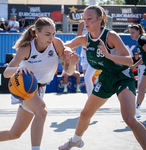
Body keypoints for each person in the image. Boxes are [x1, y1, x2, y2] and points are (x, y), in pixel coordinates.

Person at [0, 17, 79, 150]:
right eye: (47, 34)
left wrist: (73, 64)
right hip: (24, 87)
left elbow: (68, 72)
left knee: (15, 133)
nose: (51, 37)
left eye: (53, 34)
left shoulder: (57, 44)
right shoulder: (26, 48)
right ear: (36, 33)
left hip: (40, 89)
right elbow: (6, 73)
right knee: (42, 111)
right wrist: (18, 69)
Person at [58, 5, 146, 150]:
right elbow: (62, 46)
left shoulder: (110, 36)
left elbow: (129, 61)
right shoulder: (84, 39)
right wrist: (67, 49)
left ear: (99, 19)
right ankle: (75, 140)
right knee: (85, 113)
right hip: (105, 78)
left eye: (90, 18)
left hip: (122, 76)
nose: (86, 22)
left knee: (130, 119)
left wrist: (108, 55)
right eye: (84, 19)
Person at [129, 24, 146, 119]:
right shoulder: (139, 41)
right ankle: (137, 109)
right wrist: (134, 66)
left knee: (141, 87)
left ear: (138, 32)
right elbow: (144, 58)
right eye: (130, 33)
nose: (131, 35)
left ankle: (136, 109)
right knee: (141, 87)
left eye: (133, 33)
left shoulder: (141, 40)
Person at [76, 20, 96, 96]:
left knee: (91, 78)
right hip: (84, 52)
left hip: (95, 53)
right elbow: (78, 37)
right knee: (87, 78)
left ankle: (94, 99)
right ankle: (90, 99)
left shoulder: (97, 24)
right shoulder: (82, 24)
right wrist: (74, 49)